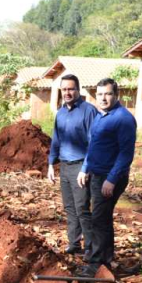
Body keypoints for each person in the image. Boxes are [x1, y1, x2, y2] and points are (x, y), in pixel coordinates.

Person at [77, 78, 136, 277]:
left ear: (116, 95)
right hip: (96, 173)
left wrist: (111, 179)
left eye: (108, 94)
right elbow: (93, 146)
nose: (103, 98)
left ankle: (96, 265)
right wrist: (85, 168)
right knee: (102, 218)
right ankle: (105, 260)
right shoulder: (100, 116)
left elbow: (126, 154)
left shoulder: (123, 118)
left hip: (110, 177)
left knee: (99, 219)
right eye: (100, 94)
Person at [47, 75, 98, 257]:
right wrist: (51, 164)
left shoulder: (88, 111)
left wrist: (85, 169)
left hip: (80, 167)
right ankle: (74, 244)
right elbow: (56, 139)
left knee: (82, 208)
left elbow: (94, 143)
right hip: (65, 166)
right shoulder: (60, 113)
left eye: (70, 89)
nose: (67, 93)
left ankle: (91, 248)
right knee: (69, 208)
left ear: (78, 90)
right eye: (64, 89)